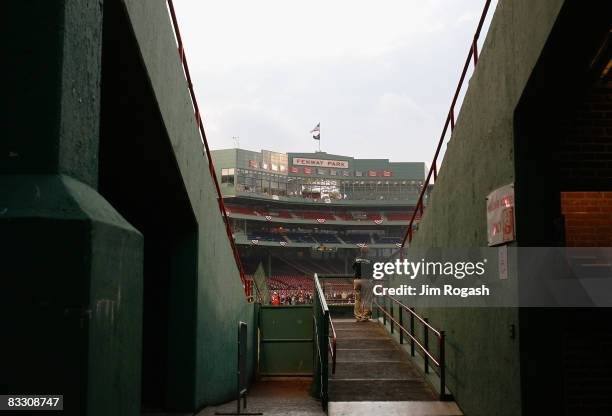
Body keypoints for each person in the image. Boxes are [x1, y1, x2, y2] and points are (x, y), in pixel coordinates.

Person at [352, 250, 373, 322]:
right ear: (367, 253)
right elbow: (373, 270)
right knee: (367, 299)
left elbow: (353, 268)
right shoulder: (370, 260)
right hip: (366, 280)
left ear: (361, 253)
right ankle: (365, 316)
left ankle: (358, 316)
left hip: (357, 280)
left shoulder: (357, 259)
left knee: (357, 299)